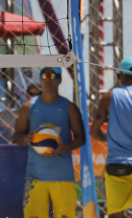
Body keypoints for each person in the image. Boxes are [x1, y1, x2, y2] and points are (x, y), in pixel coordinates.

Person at [13, 66, 85, 218]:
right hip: (35, 177)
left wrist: (63, 149)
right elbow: (17, 137)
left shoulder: (69, 107)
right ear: (40, 79)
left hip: (62, 176)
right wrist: (26, 138)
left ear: (59, 79)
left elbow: (81, 138)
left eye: (52, 76)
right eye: (44, 75)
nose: (47, 79)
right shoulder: (29, 107)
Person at [91, 57, 132, 218]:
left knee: (116, 214)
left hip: (117, 164)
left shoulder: (108, 97)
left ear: (120, 75)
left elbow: (93, 131)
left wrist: (110, 138)